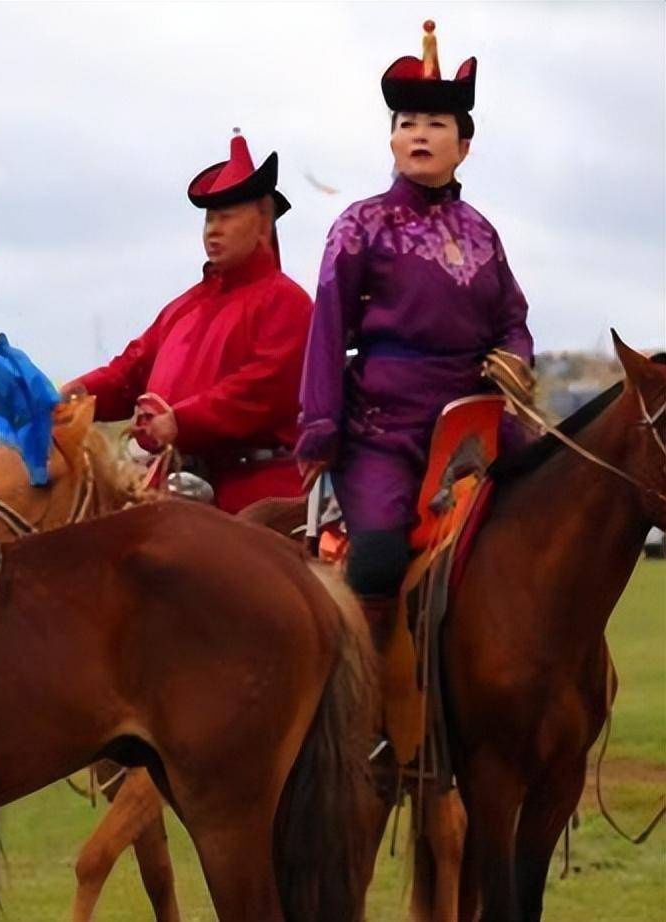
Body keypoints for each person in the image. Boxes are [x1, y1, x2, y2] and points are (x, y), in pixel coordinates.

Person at [296, 21, 534, 611]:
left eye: (435, 124)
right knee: (377, 561)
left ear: (464, 145)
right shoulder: (360, 225)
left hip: (474, 421)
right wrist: (319, 427)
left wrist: (515, 358)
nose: (419, 135)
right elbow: (326, 330)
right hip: (384, 425)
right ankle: (364, 691)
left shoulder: (482, 233)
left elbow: (512, 317)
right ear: (393, 141)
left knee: (547, 524)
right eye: (407, 125)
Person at [62, 129, 313, 513]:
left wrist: (182, 421)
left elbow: (260, 390)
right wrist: (77, 394)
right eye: (210, 218)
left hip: (256, 490)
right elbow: (130, 371)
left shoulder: (288, 302)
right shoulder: (183, 307)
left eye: (226, 216)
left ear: (263, 221)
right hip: (173, 486)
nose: (213, 228)